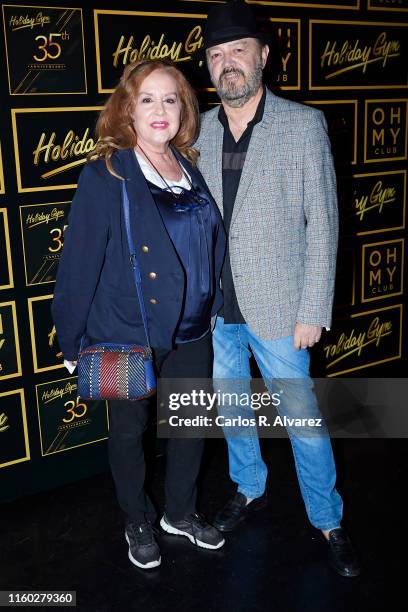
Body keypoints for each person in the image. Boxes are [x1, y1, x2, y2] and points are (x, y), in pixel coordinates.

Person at [195, 0, 360, 577]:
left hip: (282, 307)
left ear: (263, 56)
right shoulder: (198, 128)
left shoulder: (302, 124)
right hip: (218, 310)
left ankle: (327, 517)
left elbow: (325, 223)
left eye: (238, 50)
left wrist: (313, 308)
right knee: (234, 410)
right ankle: (249, 486)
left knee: (303, 423)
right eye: (216, 54)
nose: (227, 63)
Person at [51, 59, 226, 570]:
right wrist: (71, 340)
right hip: (130, 331)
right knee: (130, 433)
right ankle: (136, 519)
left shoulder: (188, 167)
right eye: (146, 98)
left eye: (170, 99)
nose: (159, 109)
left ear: (183, 109)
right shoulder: (106, 174)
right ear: (127, 109)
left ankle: (180, 513)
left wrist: (213, 303)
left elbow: (206, 243)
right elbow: (78, 265)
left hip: (194, 328)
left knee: (191, 425)